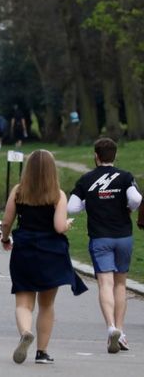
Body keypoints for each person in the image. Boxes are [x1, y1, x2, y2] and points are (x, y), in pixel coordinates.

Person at [0, 149, 88, 364]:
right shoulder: (57, 195)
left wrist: (5, 239)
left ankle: (25, 332)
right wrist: (66, 224)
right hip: (51, 253)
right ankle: (42, 352)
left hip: (25, 251)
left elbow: (6, 221)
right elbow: (58, 227)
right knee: (46, 305)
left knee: (23, 303)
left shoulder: (18, 192)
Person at [67, 138, 142, 353]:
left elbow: (72, 207)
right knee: (121, 284)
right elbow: (137, 199)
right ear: (115, 156)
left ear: (96, 155)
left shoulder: (86, 179)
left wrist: (88, 203)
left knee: (105, 284)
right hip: (123, 237)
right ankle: (121, 330)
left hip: (100, 238)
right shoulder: (125, 177)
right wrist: (128, 208)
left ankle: (110, 327)